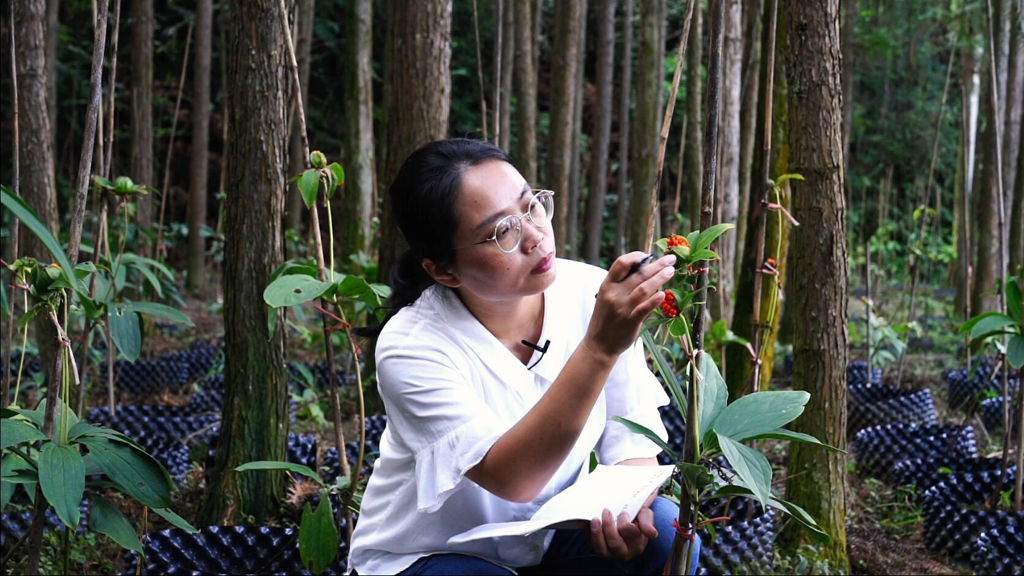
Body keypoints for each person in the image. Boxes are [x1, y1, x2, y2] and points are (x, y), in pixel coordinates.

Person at [349, 139, 699, 575]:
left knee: (664, 531)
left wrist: (630, 512)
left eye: (532, 205)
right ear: (443, 270)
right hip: (430, 556)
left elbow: (631, 445)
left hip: (546, 540)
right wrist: (599, 346)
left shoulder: (592, 292)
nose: (535, 236)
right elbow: (512, 477)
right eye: (501, 232)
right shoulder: (411, 346)